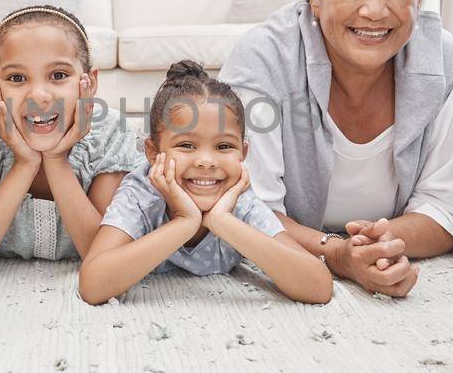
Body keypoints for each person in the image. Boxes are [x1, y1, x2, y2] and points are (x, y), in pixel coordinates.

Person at [220, 0, 453, 299]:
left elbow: (450, 207)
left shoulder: (449, 66)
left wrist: (373, 246)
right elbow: (249, 209)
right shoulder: (263, 61)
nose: (375, 11)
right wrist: (335, 254)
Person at [78, 61, 333, 305]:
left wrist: (222, 221)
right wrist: (185, 222)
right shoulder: (141, 193)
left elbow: (319, 286)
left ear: (243, 154)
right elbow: (92, 285)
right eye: (187, 145)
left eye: (224, 146)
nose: (207, 162)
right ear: (153, 153)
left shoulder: (238, 199)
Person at [0, 5, 141, 278]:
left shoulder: (111, 133)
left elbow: (105, 260)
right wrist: (24, 164)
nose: (39, 96)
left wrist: (56, 161)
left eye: (58, 76)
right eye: (16, 78)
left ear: (90, 83)